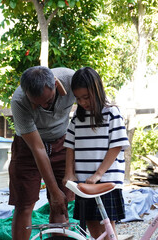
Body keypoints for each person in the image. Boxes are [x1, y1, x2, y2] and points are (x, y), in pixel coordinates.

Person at [8, 66, 76, 240]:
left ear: (55, 84)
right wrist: (52, 190)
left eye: (48, 100)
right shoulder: (19, 101)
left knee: (60, 203)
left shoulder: (71, 79)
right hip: (28, 147)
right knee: (24, 203)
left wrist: (57, 193)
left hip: (61, 142)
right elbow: (38, 149)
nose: (44, 106)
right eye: (37, 104)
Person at [63, 67, 130, 239]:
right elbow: (70, 146)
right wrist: (69, 173)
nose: (83, 102)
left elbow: (116, 146)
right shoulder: (78, 118)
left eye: (86, 97)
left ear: (97, 91)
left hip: (106, 181)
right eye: (78, 98)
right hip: (84, 182)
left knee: (106, 226)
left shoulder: (112, 113)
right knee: (92, 225)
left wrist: (98, 174)